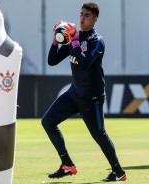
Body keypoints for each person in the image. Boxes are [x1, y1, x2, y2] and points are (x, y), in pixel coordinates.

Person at [41, 2, 127, 182]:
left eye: (87, 15)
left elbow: (85, 63)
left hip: (92, 98)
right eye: (81, 14)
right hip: (74, 93)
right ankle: (67, 164)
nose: (82, 18)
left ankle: (119, 172)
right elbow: (52, 61)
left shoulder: (97, 40)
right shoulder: (76, 37)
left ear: (95, 19)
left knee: (99, 135)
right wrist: (56, 40)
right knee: (48, 121)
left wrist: (73, 39)